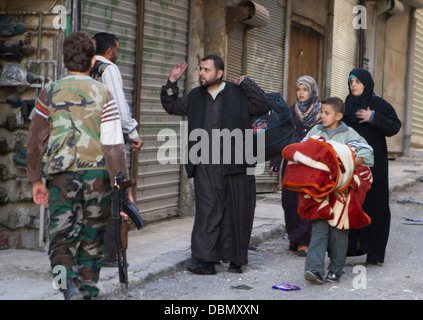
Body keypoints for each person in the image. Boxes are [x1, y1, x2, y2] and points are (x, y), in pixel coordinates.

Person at [26, 31, 129, 300]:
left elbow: (35, 142)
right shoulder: (104, 94)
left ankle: (65, 286)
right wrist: (124, 186)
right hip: (97, 176)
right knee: (92, 239)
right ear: (92, 63)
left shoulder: (49, 93)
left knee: (60, 240)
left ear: (63, 59)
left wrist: (36, 180)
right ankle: (88, 291)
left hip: (62, 176)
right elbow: (114, 145)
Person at [160, 55, 269, 274]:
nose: (201, 73)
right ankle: (204, 260)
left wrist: (247, 84)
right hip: (205, 163)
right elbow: (172, 106)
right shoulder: (195, 96)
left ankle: (235, 260)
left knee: (236, 210)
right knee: (207, 210)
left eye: (206, 70)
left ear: (219, 73)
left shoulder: (236, 92)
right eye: (200, 69)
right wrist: (172, 82)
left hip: (237, 161)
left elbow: (262, 105)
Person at [298, 97, 374, 284]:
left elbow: (367, 152)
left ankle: (335, 269)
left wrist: (347, 163)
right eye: (321, 112)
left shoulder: (349, 134)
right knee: (319, 229)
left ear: (338, 116)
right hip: (320, 192)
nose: (322, 116)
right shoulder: (316, 131)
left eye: (327, 113)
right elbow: (302, 149)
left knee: (339, 230)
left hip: (342, 193)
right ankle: (314, 269)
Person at [91, 32, 141, 266]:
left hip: (85, 143)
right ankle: (109, 255)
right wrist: (132, 133)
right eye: (117, 50)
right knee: (114, 193)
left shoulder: (82, 69)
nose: (117, 54)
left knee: (92, 196)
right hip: (107, 141)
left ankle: (90, 250)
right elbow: (119, 106)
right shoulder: (107, 69)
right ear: (110, 50)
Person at [344, 68, 401, 265]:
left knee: (375, 206)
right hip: (351, 166)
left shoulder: (378, 104)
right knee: (351, 204)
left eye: (358, 82)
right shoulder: (347, 105)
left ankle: (375, 253)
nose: (354, 85)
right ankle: (349, 249)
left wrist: (373, 117)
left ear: (366, 83)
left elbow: (395, 126)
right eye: (351, 82)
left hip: (375, 167)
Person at [269, 75, 322, 256]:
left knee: (307, 201)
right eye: (298, 89)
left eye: (305, 89)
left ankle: (304, 242)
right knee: (290, 202)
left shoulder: (321, 114)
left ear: (312, 91)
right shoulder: (289, 112)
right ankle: (294, 238)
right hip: (291, 164)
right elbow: (280, 137)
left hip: (312, 165)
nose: (301, 93)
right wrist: (275, 161)